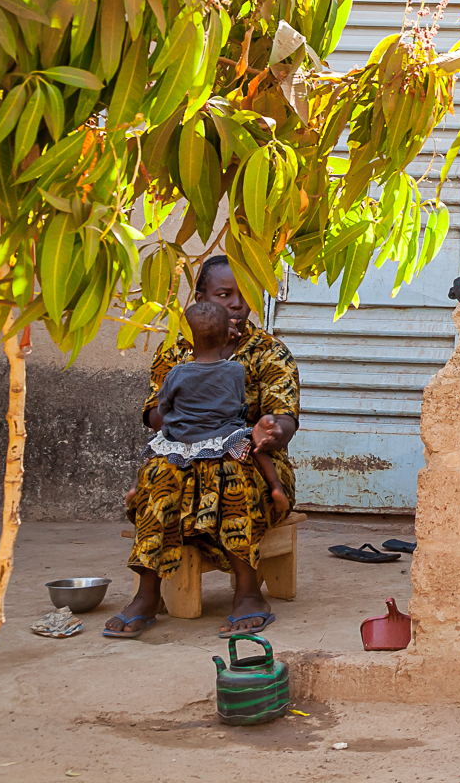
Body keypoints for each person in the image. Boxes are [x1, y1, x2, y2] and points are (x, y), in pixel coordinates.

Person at [104, 256, 302, 640]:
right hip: (182, 456)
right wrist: (199, 412)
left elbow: (285, 418)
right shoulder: (175, 354)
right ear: (200, 299)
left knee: (232, 470)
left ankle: (248, 593)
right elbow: (154, 415)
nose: (236, 305)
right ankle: (147, 595)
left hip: (249, 461)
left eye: (244, 296)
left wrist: (271, 428)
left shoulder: (270, 352)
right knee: (159, 473)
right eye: (224, 294)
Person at [145, 299, 289, 519]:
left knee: (153, 456)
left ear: (189, 340)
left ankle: (136, 489)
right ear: (226, 336)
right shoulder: (236, 370)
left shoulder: (177, 372)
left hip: (183, 438)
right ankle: (276, 487)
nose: (237, 303)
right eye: (224, 294)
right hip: (226, 436)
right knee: (256, 452)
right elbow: (240, 401)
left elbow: (162, 406)